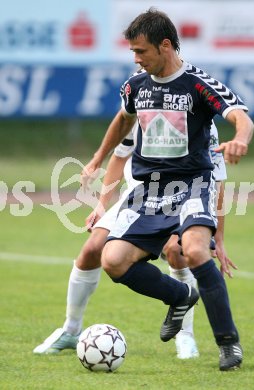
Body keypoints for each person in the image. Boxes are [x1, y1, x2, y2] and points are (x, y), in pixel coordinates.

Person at [81, 8, 254, 371]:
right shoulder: (136, 86)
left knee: (193, 250)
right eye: (133, 52)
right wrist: (99, 157)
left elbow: (241, 116)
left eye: (141, 51)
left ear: (165, 45)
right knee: (112, 261)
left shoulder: (197, 83)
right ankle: (180, 296)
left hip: (193, 184)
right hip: (149, 191)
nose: (136, 58)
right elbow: (123, 118)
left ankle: (228, 343)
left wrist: (240, 139)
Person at [33, 121, 231, 361]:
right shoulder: (138, 107)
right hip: (138, 197)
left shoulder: (201, 117)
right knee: (93, 250)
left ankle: (185, 335)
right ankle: (71, 330)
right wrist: (102, 205)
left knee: (176, 250)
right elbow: (119, 157)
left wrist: (218, 237)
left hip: (183, 194)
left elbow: (217, 179)